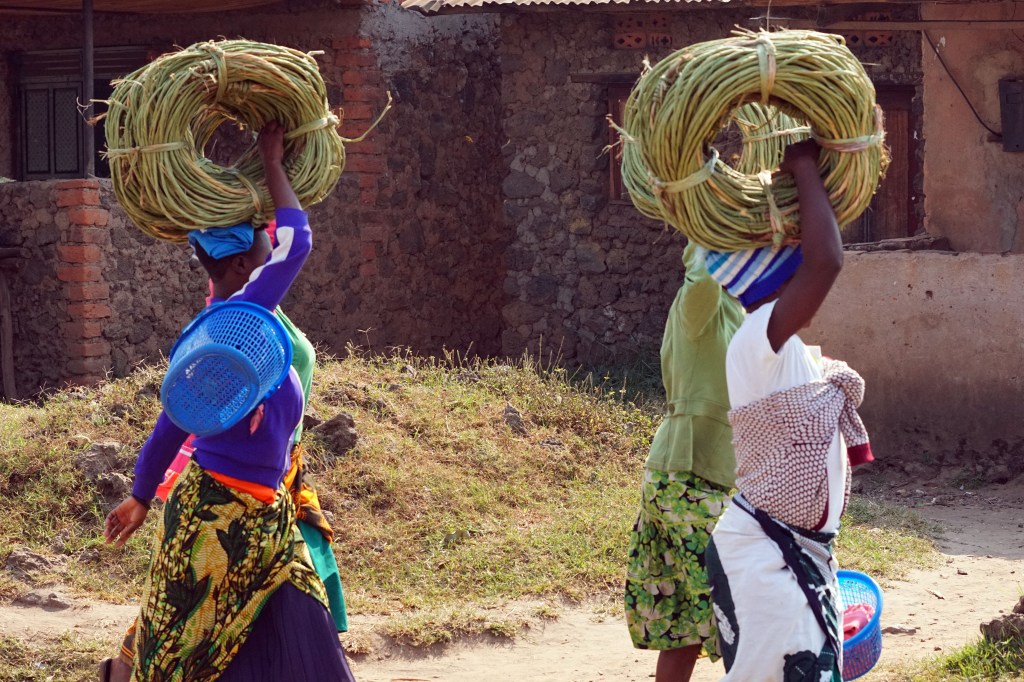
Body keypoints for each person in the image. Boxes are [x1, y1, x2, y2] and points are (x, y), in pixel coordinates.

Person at [100, 122, 356, 682]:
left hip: (269, 517)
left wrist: (142, 494)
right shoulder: (230, 328)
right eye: (260, 243)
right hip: (212, 519)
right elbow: (298, 240)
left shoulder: (234, 323)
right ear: (242, 266)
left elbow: (169, 428)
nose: (270, 244)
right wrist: (272, 163)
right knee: (176, 653)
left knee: (303, 625)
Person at [702, 139, 874, 681]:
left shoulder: (779, 349)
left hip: (788, 555)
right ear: (779, 279)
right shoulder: (757, 339)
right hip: (767, 557)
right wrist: (802, 164)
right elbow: (829, 261)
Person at [624, 242, 744, 681]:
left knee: (684, 625)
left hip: (690, 479)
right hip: (684, 478)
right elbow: (703, 265)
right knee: (743, 601)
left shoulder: (737, 310)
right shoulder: (697, 307)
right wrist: (712, 223)